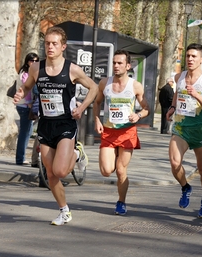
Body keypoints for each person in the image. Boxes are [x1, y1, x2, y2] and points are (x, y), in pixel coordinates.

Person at [13, 26, 98, 225]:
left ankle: (77, 153)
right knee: (50, 173)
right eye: (47, 43)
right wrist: (20, 93)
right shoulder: (36, 68)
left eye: (54, 44)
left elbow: (93, 87)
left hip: (65, 124)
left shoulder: (72, 69)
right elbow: (27, 86)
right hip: (45, 124)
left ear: (63, 47)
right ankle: (64, 211)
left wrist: (83, 107)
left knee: (60, 171)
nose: (50, 47)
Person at [93, 49, 150, 215]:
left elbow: (146, 108)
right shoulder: (105, 83)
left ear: (128, 65)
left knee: (120, 170)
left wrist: (138, 115)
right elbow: (97, 103)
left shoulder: (135, 86)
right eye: (114, 63)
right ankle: (115, 156)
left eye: (120, 63)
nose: (116, 66)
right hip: (109, 132)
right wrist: (96, 119)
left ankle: (121, 202)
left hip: (127, 132)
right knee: (105, 171)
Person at [166, 43, 202, 219]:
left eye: (194, 56)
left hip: (199, 130)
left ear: (201, 60)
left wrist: (197, 95)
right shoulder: (179, 76)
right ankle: (186, 187)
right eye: (188, 56)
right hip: (180, 128)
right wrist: (172, 107)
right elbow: (176, 95)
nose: (190, 59)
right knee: (174, 162)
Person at [14, 52, 40, 165]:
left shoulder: (26, 72)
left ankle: (21, 158)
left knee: (27, 132)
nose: (33, 63)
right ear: (27, 61)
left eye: (36, 61)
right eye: (31, 60)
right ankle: (20, 159)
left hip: (23, 105)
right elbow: (27, 89)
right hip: (25, 106)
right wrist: (30, 103)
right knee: (25, 133)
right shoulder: (26, 74)